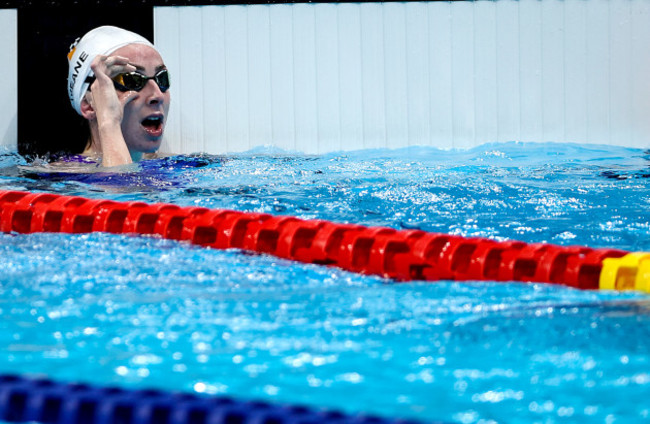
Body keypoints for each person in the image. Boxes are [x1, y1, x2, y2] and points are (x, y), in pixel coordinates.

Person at [66, 26, 170, 167]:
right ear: (89, 104)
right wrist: (109, 123)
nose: (157, 95)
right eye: (132, 80)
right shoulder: (59, 178)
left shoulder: (184, 166)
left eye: (161, 78)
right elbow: (121, 188)